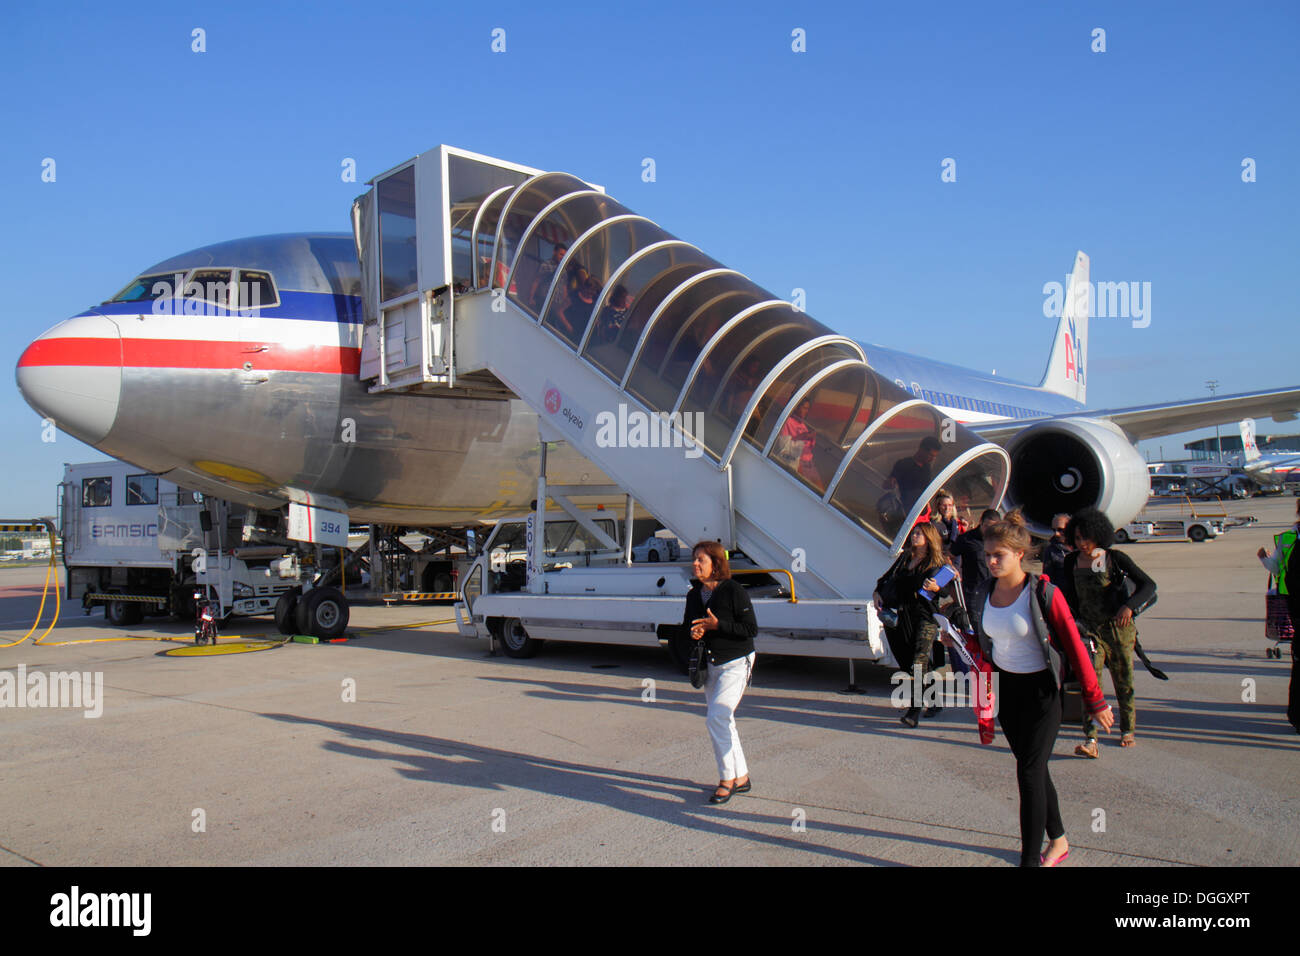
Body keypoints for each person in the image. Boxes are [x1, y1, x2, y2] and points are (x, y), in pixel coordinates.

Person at [960, 510, 1113, 867]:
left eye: (999, 554)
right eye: (987, 554)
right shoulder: (984, 592)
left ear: (1019, 554)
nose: (991, 560)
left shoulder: (1043, 591)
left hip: (1043, 693)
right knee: (1035, 768)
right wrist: (958, 639)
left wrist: (1096, 699)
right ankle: (1058, 841)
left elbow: (1075, 648)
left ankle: (1029, 860)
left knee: (1028, 772)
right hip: (1007, 691)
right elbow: (988, 642)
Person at [1057, 507, 1156, 755]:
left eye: (1086, 538)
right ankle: (1091, 739)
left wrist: (1129, 607)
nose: (1081, 544)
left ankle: (1127, 729)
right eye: (1077, 538)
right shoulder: (1070, 562)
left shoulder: (1113, 558)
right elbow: (1067, 596)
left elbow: (1148, 585)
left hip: (1118, 629)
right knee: (1090, 682)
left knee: (1124, 680)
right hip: (1089, 632)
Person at [683, 540, 758, 804]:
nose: (695, 564)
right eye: (694, 559)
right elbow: (686, 629)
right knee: (724, 721)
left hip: (736, 662)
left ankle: (727, 779)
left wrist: (718, 626)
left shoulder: (733, 591)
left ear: (716, 564)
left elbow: (750, 630)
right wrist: (694, 633)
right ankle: (742, 776)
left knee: (717, 716)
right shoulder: (694, 595)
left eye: (701, 560)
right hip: (711, 665)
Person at [874, 521, 966, 726]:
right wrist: (877, 593)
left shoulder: (938, 563)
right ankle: (934, 700)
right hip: (902, 616)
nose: (914, 536)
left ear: (929, 538)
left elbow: (945, 592)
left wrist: (936, 587)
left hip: (925, 616)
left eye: (919, 533)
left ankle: (914, 711)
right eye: (914, 533)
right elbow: (884, 579)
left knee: (918, 661)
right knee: (910, 663)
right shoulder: (905, 558)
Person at [1258, 498, 1300, 733]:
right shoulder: (1289, 538)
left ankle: (1296, 715)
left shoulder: (1288, 537)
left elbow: (1275, 568)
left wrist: (1263, 557)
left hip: (1293, 604)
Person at [951, 508, 1000, 633]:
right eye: (987, 526)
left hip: (995, 591)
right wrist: (953, 569)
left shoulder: (998, 540)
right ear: (980, 522)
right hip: (974, 592)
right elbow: (948, 555)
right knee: (978, 629)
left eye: (993, 527)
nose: (989, 530)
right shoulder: (967, 539)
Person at [886, 436, 942, 506]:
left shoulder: (927, 467)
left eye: (934, 456)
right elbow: (887, 485)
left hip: (921, 506)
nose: (932, 459)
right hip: (904, 508)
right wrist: (891, 482)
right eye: (931, 455)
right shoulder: (903, 464)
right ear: (922, 450)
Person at [1040, 513, 1072, 583]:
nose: (1056, 534)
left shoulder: (1082, 547)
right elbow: (1048, 579)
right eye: (1054, 530)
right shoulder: (1051, 551)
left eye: (1060, 530)